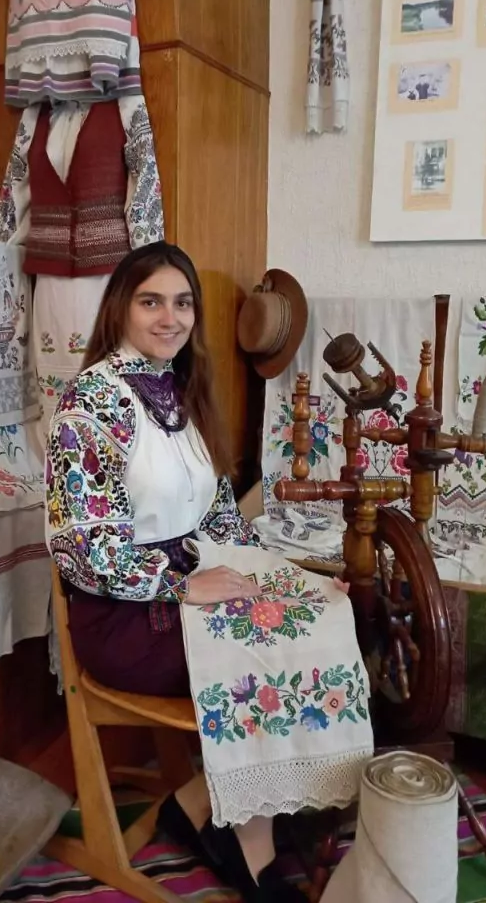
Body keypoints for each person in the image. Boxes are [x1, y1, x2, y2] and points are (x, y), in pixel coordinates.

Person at [46, 243, 308, 901]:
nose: (170, 318)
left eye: (182, 302)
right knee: (266, 655)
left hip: (187, 592)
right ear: (120, 308)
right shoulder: (92, 403)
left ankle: (201, 801)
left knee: (309, 621)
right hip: (122, 618)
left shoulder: (180, 391)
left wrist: (276, 579)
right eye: (151, 302)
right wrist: (180, 583)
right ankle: (249, 845)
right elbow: (81, 550)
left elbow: (220, 517)